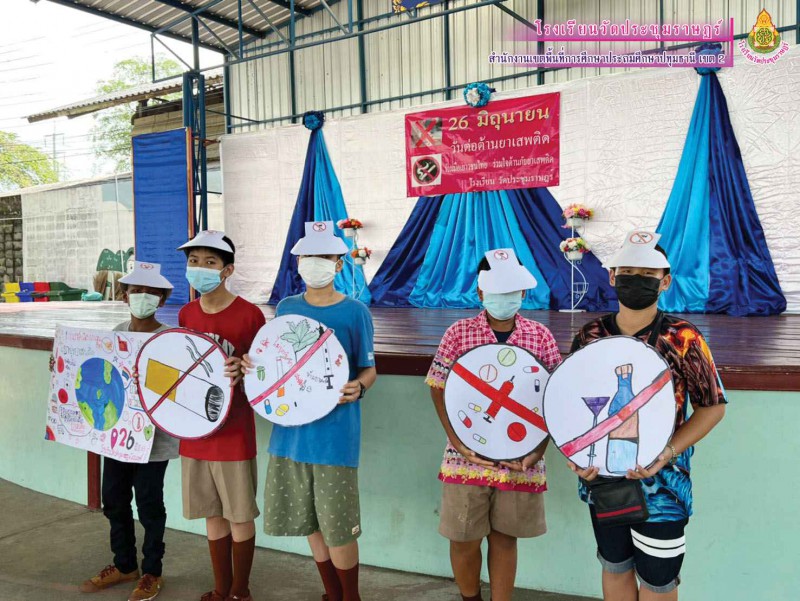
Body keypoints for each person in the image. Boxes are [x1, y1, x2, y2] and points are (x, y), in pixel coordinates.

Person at [569, 230, 727, 601]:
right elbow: (572, 405)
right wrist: (576, 456)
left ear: (665, 281)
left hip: (664, 486)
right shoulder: (590, 336)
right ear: (612, 276)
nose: (635, 280)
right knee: (615, 565)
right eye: (627, 272)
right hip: (603, 480)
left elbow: (713, 406)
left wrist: (667, 452)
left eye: (647, 274)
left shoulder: (683, 337)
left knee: (658, 580)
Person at [243, 221, 376, 601]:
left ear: (339, 264)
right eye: (307, 256)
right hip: (290, 434)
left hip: (334, 438)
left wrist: (359, 386)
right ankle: (331, 593)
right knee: (309, 521)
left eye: (324, 256)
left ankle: (350, 596)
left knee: (338, 526)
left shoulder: (354, 312)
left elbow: (369, 368)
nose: (314, 263)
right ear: (298, 262)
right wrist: (254, 366)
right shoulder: (287, 308)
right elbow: (276, 359)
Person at [425, 249, 562, 601]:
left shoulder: (540, 336)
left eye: (511, 290)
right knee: (463, 537)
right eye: (496, 290)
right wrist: (456, 439)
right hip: (466, 457)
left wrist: (538, 450)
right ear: (480, 291)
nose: (504, 297)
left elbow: (553, 397)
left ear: (524, 292)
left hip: (520, 458)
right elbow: (438, 385)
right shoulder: (458, 333)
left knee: (504, 537)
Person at [74, 261, 177, 601]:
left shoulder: (170, 340)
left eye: (151, 292)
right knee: (114, 500)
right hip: (116, 437)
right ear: (124, 295)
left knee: (149, 504)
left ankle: (152, 571)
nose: (143, 297)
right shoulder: (114, 334)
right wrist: (68, 367)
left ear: (162, 299)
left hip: (154, 441)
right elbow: (95, 373)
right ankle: (124, 564)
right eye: (136, 291)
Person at [177, 231, 266, 601]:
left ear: (227, 270)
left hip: (234, 434)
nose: (199, 268)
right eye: (193, 261)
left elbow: (267, 375)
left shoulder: (250, 315)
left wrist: (245, 370)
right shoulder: (186, 314)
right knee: (212, 514)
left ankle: (240, 591)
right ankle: (220, 588)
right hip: (195, 433)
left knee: (239, 515)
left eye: (210, 262)